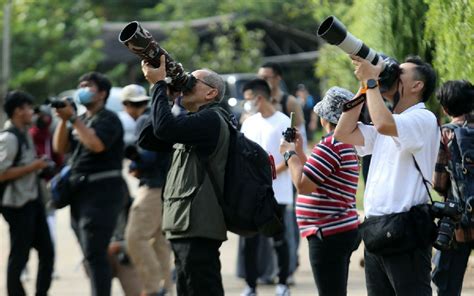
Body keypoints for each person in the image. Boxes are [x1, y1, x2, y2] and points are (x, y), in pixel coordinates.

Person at [334, 55, 439, 296]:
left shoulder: (423, 118)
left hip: (405, 233)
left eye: (400, 72)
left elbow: (382, 123)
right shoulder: (391, 122)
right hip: (377, 232)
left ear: (417, 85)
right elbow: (343, 133)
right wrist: (364, 86)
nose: (391, 73)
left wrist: (371, 80)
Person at [139, 55, 229, 296]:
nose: (185, 84)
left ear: (211, 93)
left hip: (199, 223)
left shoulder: (212, 119)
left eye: (193, 81)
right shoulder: (193, 122)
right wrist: (166, 96)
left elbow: (164, 128)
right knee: (189, 288)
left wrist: (158, 86)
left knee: (202, 288)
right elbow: (148, 138)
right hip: (186, 223)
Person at [280, 86, 360, 296]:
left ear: (325, 118)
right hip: (339, 228)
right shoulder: (345, 143)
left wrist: (289, 156)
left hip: (327, 232)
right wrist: (298, 151)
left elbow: (304, 186)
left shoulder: (330, 145)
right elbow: (316, 177)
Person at [53, 72, 125, 296]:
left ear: (102, 93)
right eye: (80, 85)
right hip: (80, 194)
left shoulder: (109, 119)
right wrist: (66, 120)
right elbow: (60, 148)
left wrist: (73, 119)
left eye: (88, 86)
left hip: (102, 194)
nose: (82, 89)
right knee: (91, 253)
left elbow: (96, 145)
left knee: (95, 254)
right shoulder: (82, 119)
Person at [239, 78, 292, 296]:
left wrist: (270, 173)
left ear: (259, 98)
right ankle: (251, 285)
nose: (247, 104)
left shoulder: (284, 122)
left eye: (249, 99)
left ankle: (283, 282)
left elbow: (290, 157)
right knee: (250, 241)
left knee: (279, 240)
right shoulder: (249, 123)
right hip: (252, 193)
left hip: (277, 193)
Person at [121, 84, 174, 296]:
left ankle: (153, 289)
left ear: (128, 106)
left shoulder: (144, 120)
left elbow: (148, 158)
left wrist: (135, 163)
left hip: (153, 188)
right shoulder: (161, 114)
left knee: (135, 238)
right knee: (160, 242)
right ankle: (166, 287)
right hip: (168, 188)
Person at [0, 90, 54, 296]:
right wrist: (34, 166)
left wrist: (39, 166)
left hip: (33, 201)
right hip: (17, 205)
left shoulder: (25, 133)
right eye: (27, 108)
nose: (32, 112)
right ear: (17, 111)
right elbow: (1, 173)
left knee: (47, 253)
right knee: (19, 256)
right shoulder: (9, 138)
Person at [257, 62, 302, 285]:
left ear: (278, 78)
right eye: (260, 77)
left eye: (268, 76)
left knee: (286, 224)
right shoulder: (255, 105)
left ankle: (288, 269)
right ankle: (265, 270)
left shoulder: (289, 102)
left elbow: (298, 139)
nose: (264, 80)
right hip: (263, 177)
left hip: (284, 173)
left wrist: (278, 169)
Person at [432, 80, 474, 296]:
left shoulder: (446, 134)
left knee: (449, 283)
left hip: (459, 223)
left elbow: (439, 184)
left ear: (445, 109)